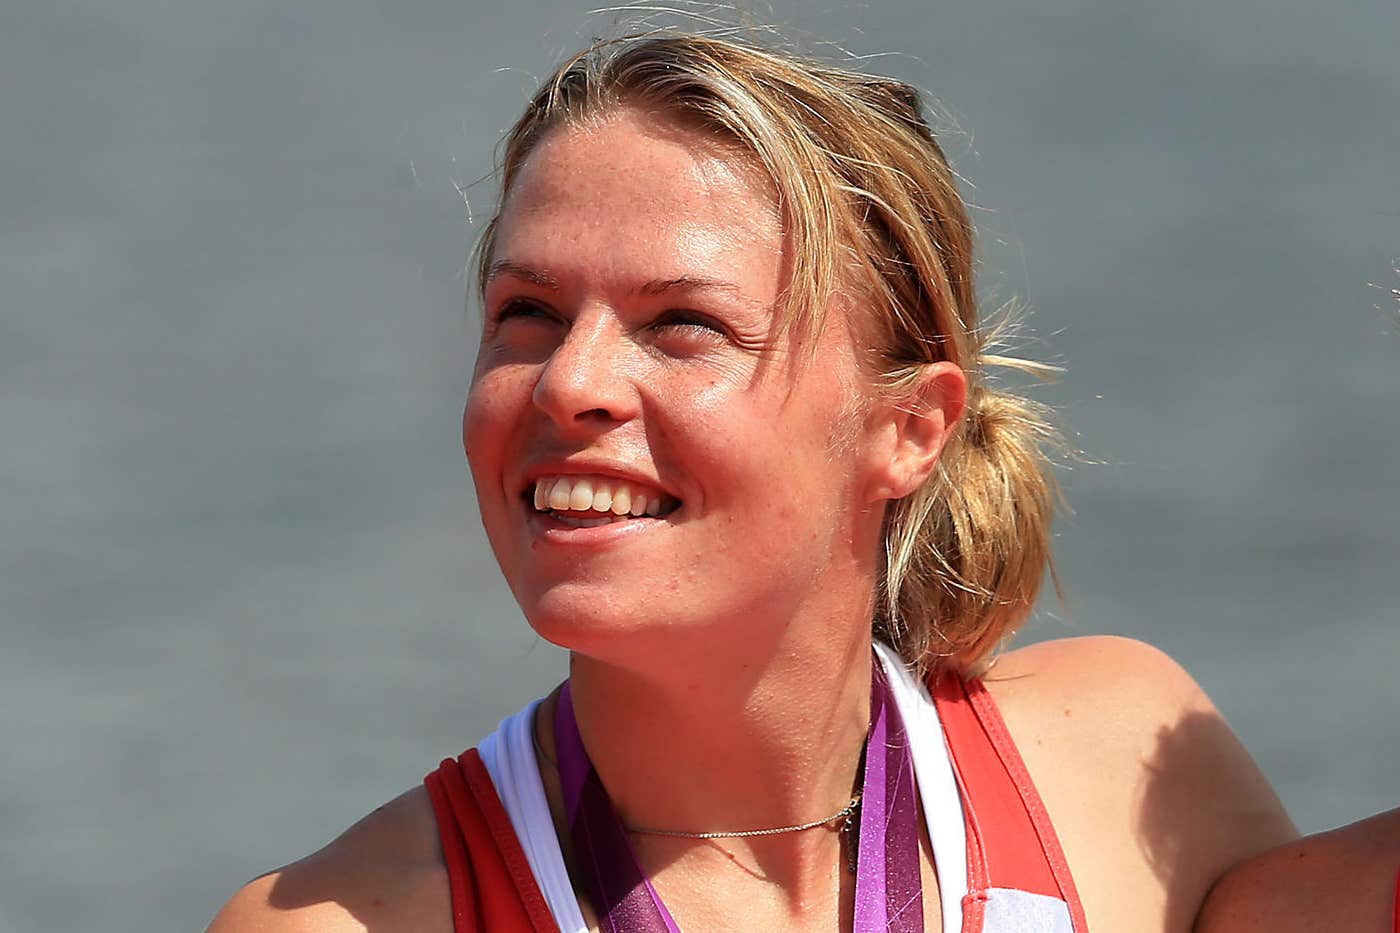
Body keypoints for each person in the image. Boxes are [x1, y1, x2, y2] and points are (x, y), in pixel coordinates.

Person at [209, 30, 1396, 933]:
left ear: (909, 428)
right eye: (526, 314)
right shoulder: (346, 918)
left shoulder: (1115, 757)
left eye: (680, 325)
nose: (567, 385)